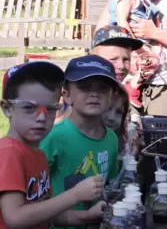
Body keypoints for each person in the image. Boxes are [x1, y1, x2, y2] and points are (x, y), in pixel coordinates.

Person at [0, 62, 105, 228]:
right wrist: (75, 195)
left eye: (50, 109)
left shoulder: (38, 153)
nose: (41, 117)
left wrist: (87, 216)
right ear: (7, 108)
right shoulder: (8, 153)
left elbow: (48, 215)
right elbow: (15, 218)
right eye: (29, 107)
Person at [40, 55, 120, 229]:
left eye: (103, 89)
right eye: (84, 87)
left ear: (112, 96)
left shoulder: (112, 139)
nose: (94, 94)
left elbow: (111, 185)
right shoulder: (53, 137)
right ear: (67, 96)